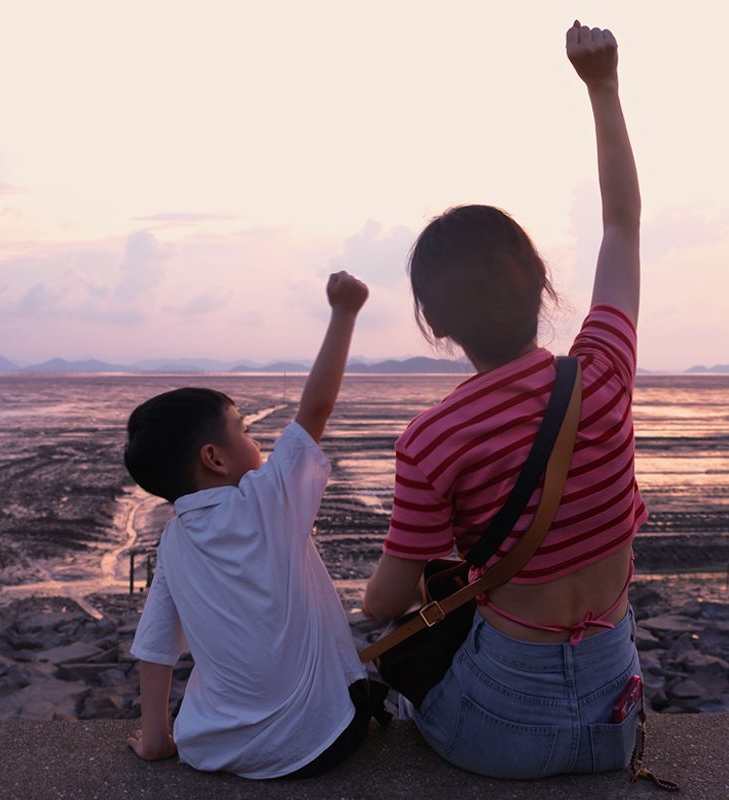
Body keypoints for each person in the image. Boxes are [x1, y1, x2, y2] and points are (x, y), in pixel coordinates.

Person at [362, 21, 646, 779]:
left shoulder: (433, 438)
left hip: (502, 733)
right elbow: (622, 225)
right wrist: (603, 88)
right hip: (620, 719)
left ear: (435, 324)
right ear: (542, 282)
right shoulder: (604, 371)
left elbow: (384, 599)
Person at [125, 271, 373, 779]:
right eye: (244, 429)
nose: (257, 442)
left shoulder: (172, 541)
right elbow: (316, 409)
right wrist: (344, 312)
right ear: (214, 458)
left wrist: (156, 736)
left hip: (212, 748)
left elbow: (155, 644)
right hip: (321, 737)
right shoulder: (266, 498)